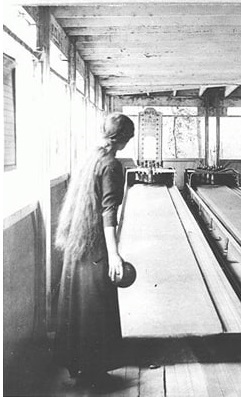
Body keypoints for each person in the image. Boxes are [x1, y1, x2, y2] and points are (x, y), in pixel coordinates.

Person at [54, 113, 135, 386]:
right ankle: (95, 368)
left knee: (76, 306)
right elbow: (108, 212)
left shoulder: (90, 159)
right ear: (123, 140)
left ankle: (78, 365)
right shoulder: (112, 166)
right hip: (95, 248)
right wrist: (114, 254)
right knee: (95, 306)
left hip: (78, 245)